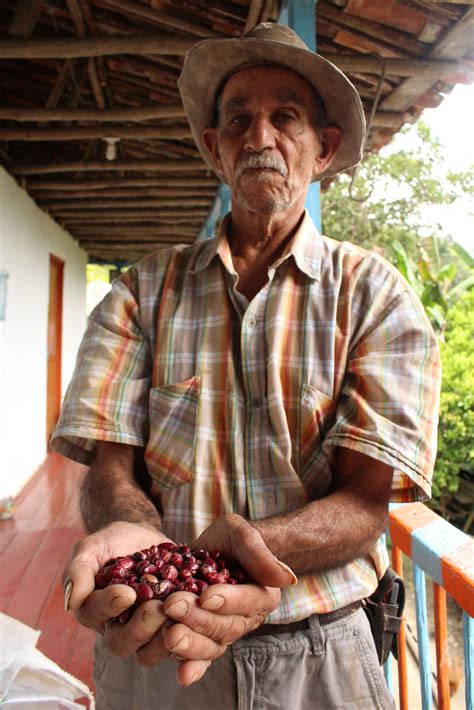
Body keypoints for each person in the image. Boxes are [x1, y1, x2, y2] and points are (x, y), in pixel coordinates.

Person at [52, 23, 441, 710]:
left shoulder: (376, 295)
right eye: (239, 120)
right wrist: (134, 534)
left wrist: (248, 546)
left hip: (323, 652)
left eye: (285, 116)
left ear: (322, 149)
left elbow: (366, 501)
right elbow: (112, 465)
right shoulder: (143, 291)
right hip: (160, 640)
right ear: (215, 148)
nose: (260, 136)